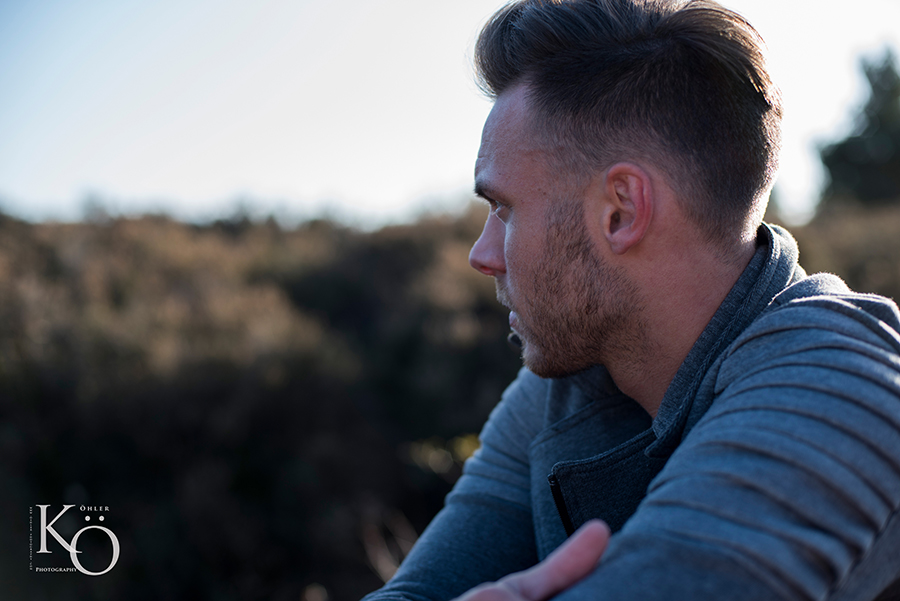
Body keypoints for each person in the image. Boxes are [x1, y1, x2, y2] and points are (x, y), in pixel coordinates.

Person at [363, 0, 900, 599]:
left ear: (621, 211)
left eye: (504, 209)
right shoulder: (569, 379)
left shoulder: (841, 372)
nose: (482, 254)